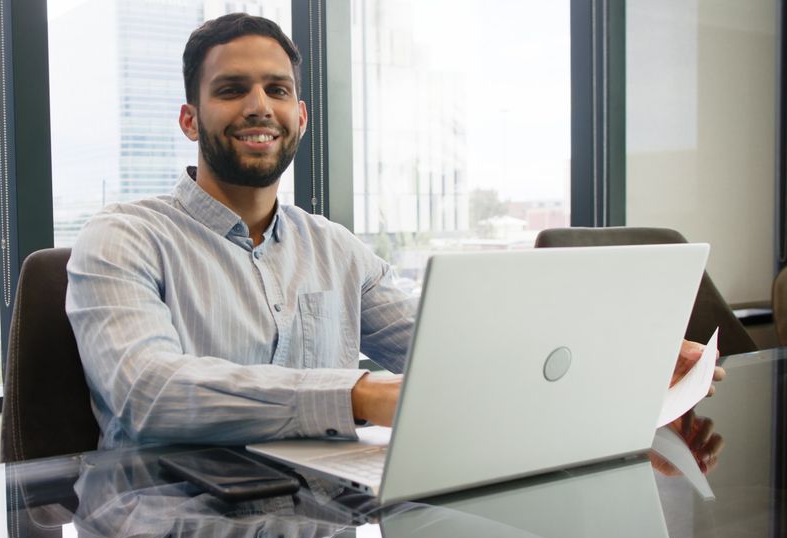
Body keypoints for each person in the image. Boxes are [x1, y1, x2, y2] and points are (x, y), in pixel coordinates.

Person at [65, 13, 720, 450]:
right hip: (170, 524)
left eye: (276, 88)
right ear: (189, 118)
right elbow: (146, 391)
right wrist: (358, 392)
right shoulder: (122, 239)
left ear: (301, 116)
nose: (259, 104)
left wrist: (633, 357)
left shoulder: (336, 249)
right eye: (232, 89)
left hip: (316, 520)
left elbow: (453, 350)